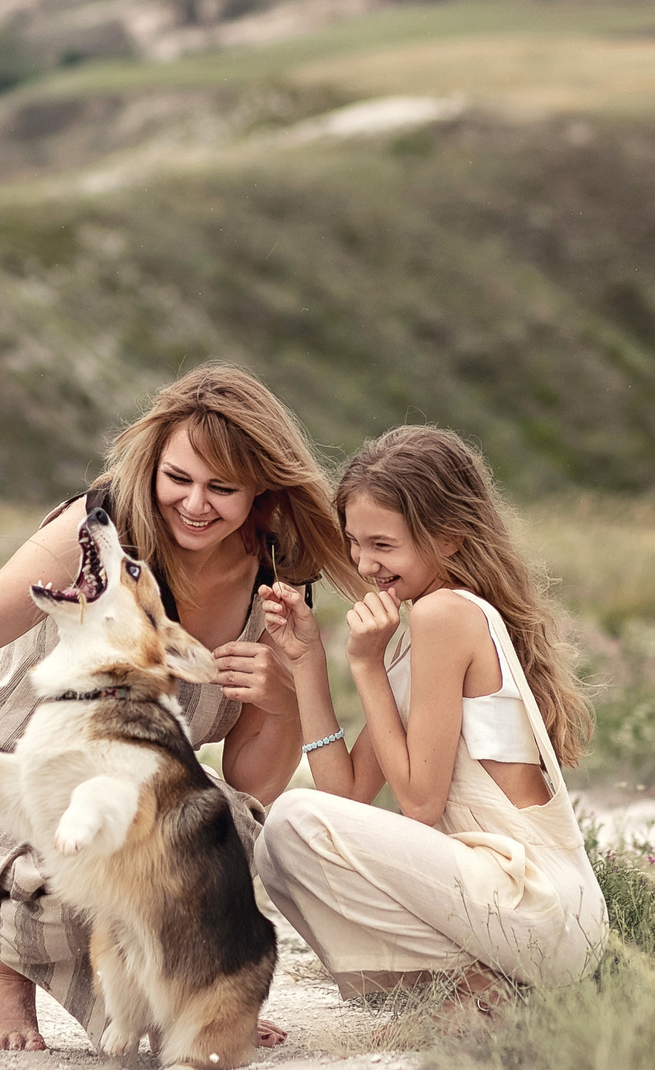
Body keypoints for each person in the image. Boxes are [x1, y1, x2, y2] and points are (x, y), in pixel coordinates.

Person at [0, 364, 359, 1052]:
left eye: (222, 488)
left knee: (235, 835)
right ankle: (3, 965)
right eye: (179, 478)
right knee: (69, 872)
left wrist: (285, 695)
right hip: (0, 795)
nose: (195, 503)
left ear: (261, 485)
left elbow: (250, 781)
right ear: (153, 466)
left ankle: (201, 996)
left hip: (128, 803)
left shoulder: (278, 574)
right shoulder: (98, 534)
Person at [254, 425, 607, 1031]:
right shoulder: (429, 628)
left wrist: (362, 662)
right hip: (533, 916)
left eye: (384, 545)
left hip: (539, 908)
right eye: (355, 543)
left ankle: (476, 989)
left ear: (447, 539)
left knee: (292, 821)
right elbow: (347, 797)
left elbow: (418, 803)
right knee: (284, 838)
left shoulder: (446, 615)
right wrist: (307, 661)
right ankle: (474, 989)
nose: (365, 565)